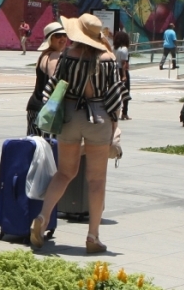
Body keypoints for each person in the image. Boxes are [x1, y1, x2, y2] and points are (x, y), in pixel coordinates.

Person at [29, 14, 122, 254]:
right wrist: (114, 126)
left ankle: (43, 216)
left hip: (69, 116)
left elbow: (52, 86)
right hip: (98, 116)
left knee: (64, 173)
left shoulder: (68, 56)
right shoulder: (108, 58)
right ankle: (93, 236)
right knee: (96, 180)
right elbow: (115, 97)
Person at [26, 21, 68, 135]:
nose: (63, 38)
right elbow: (55, 82)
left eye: (65, 35)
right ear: (50, 39)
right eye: (58, 36)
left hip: (34, 106)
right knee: (48, 148)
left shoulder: (43, 55)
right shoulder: (54, 56)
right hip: (46, 109)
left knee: (36, 146)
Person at [113, 30, 132, 120]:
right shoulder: (124, 49)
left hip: (115, 70)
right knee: (126, 92)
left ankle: (114, 110)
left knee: (116, 91)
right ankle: (124, 113)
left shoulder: (114, 48)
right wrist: (124, 75)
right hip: (122, 71)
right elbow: (124, 63)